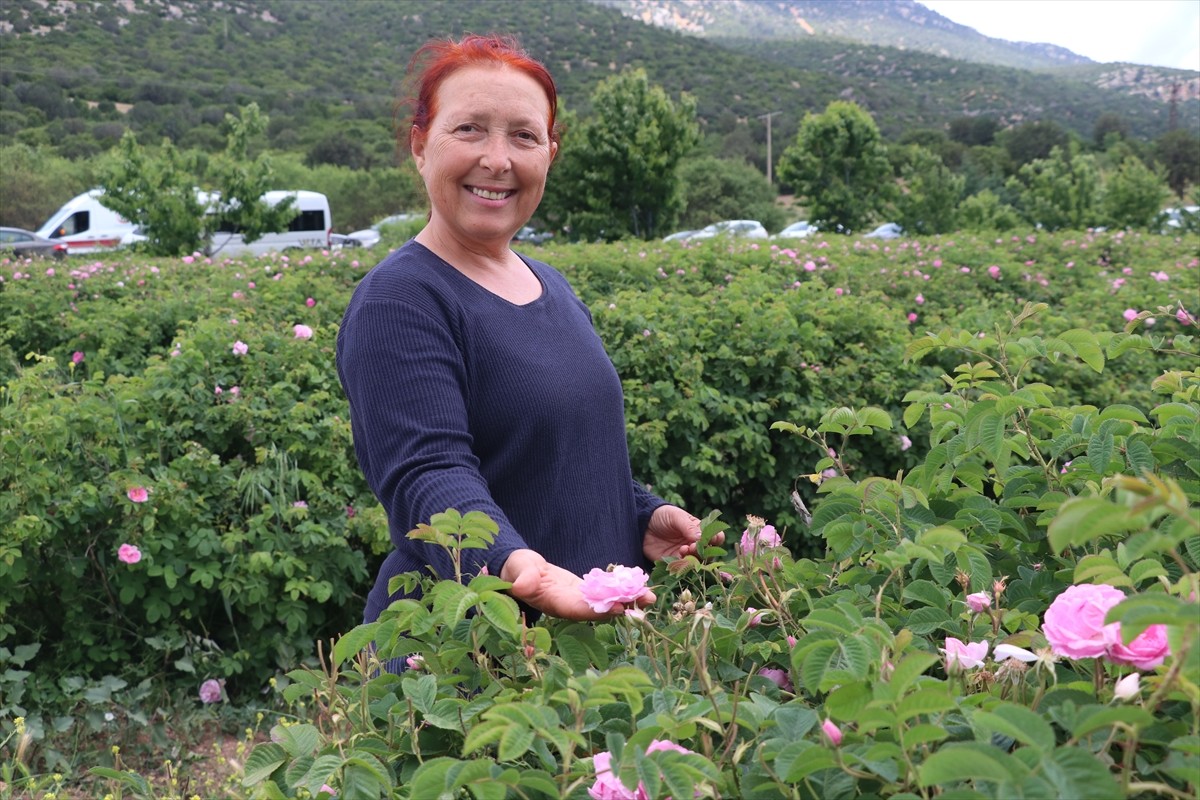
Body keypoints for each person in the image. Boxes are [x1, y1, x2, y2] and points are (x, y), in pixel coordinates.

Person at [336, 33, 712, 627]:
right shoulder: (402, 297)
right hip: (470, 652)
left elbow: (557, 453)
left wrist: (640, 515)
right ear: (419, 145)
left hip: (577, 649)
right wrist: (515, 565)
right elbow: (427, 472)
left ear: (549, 155)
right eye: (469, 130)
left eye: (524, 136)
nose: (497, 159)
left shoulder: (549, 284)